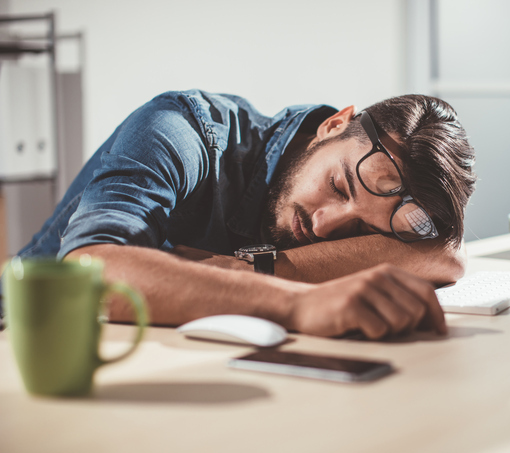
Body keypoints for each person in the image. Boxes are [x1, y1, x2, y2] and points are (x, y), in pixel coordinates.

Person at [15, 90, 477, 339]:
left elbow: (442, 253)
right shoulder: (182, 130)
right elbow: (90, 271)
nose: (325, 226)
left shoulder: (347, 188)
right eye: (339, 186)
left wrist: (250, 267)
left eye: (361, 229)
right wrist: (297, 302)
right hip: (26, 339)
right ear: (334, 125)